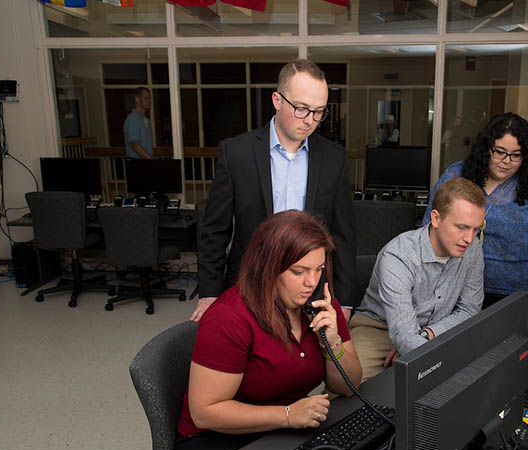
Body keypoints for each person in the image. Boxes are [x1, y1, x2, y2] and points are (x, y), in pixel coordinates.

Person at [176, 210, 362, 450]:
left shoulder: (318, 304)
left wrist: (333, 342)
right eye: (298, 271)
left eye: (318, 269)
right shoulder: (230, 317)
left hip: (283, 425)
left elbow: (348, 386)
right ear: (269, 267)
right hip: (216, 440)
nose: (311, 282)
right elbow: (205, 412)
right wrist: (288, 415)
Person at [192, 59, 356, 323]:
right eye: (302, 109)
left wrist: (344, 301)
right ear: (277, 100)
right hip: (247, 281)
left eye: (319, 112)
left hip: (309, 287)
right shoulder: (237, 153)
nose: (310, 121)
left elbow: (343, 235)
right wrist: (209, 293)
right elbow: (214, 230)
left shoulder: (333, 158)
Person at [423, 112, 528, 330]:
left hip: (517, 297)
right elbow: (429, 228)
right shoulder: (457, 174)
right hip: (456, 291)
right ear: (487, 148)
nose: (506, 162)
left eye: (515, 155)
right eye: (500, 152)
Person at [350, 177, 486, 382]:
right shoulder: (397, 256)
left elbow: (469, 310)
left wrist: (427, 335)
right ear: (436, 218)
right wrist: (412, 345)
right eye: (461, 227)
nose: (469, 238)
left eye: (476, 229)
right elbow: (404, 337)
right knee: (348, 385)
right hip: (380, 327)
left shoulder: (473, 248)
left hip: (438, 327)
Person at [123, 87, 154, 159]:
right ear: (137, 99)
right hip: (136, 163)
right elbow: (136, 146)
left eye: (150, 98)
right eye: (146, 98)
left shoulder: (145, 120)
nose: (149, 101)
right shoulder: (133, 119)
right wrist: (151, 160)